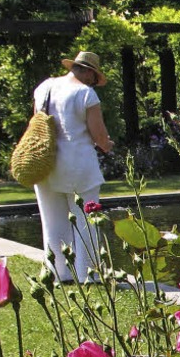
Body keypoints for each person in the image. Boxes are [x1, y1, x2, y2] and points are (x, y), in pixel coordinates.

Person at [33, 50, 114, 282]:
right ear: (88, 72)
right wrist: (108, 144)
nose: (94, 83)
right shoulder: (85, 93)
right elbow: (99, 137)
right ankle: (88, 274)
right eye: (95, 78)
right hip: (78, 166)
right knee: (87, 220)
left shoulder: (44, 87)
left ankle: (59, 272)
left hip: (45, 163)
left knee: (53, 222)